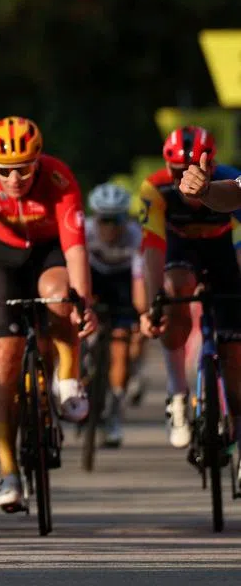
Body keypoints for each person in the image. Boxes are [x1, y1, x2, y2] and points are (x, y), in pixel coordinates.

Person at [0, 116, 96, 511]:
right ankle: (8, 471)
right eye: (5, 171)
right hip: (3, 261)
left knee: (58, 296)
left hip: (49, 253)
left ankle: (67, 378)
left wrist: (83, 301)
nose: (14, 179)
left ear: (39, 162)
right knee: (4, 362)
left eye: (24, 169)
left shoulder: (60, 179)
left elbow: (76, 250)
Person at [142, 127, 241, 453]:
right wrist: (152, 305)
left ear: (212, 165)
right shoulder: (154, 188)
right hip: (180, 252)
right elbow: (153, 248)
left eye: (196, 167)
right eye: (177, 171)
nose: (186, 176)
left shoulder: (231, 178)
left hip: (224, 250)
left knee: (235, 353)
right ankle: (178, 393)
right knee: (174, 290)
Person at [85, 182, 141, 447]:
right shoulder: (84, 231)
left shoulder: (135, 236)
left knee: (121, 345)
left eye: (116, 219)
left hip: (123, 282)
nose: (109, 226)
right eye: (104, 219)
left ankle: (114, 410)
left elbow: (143, 277)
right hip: (91, 278)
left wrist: (143, 311)